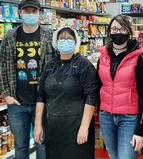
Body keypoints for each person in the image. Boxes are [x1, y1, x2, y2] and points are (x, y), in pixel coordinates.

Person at [0, 0, 54, 159]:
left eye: (34, 11)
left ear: (39, 14)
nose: (30, 14)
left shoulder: (49, 35)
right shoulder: (10, 36)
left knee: (42, 144)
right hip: (17, 103)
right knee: (20, 147)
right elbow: (2, 66)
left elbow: (57, 66)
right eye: (26, 11)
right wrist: (6, 94)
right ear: (20, 12)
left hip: (42, 102)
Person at [34, 27, 99, 159]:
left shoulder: (83, 65)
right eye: (62, 38)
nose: (65, 41)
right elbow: (41, 96)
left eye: (69, 38)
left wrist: (84, 127)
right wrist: (37, 125)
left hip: (76, 128)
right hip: (53, 129)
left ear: (76, 42)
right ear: (56, 42)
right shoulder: (50, 66)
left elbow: (91, 96)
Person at [97, 15, 143, 159]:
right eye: (114, 29)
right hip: (106, 117)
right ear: (109, 32)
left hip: (129, 119)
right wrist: (100, 114)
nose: (118, 32)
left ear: (128, 32)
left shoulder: (138, 58)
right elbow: (99, 87)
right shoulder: (102, 57)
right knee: (113, 156)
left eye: (122, 29)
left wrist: (140, 130)